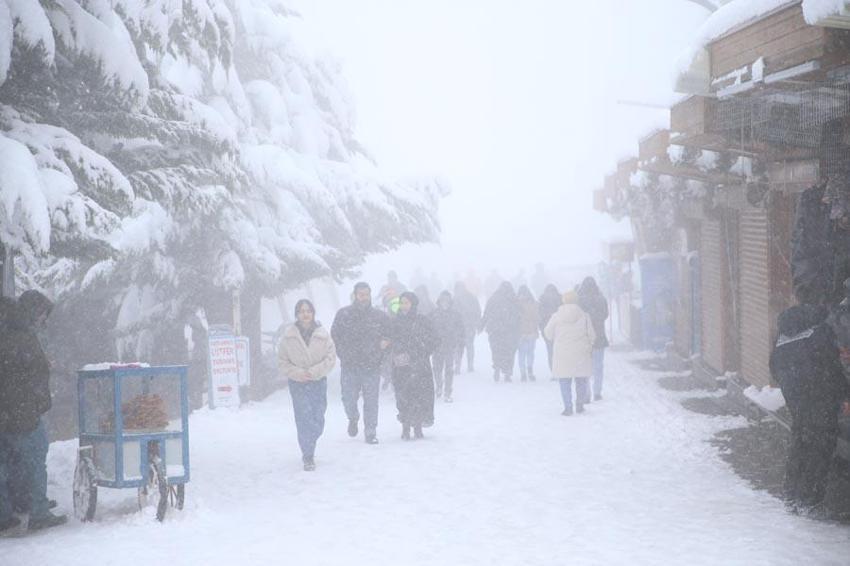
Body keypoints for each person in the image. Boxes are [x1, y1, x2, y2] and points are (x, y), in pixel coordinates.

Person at [770, 304, 850, 512]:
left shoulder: (785, 333)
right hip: (817, 392)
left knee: (801, 437)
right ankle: (809, 498)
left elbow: (774, 366)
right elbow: (832, 366)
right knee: (822, 442)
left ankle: (791, 492)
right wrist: (844, 394)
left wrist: (794, 390)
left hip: (794, 391)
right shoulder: (822, 332)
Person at [0, 291, 67, 532]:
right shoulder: (23, 337)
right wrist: (39, 403)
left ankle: (8, 512)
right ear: (33, 312)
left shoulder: (7, 332)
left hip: (8, 412)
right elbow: (30, 374)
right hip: (23, 412)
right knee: (36, 460)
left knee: (9, 463)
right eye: (42, 316)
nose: (43, 322)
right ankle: (38, 511)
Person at [279, 299, 337, 471]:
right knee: (303, 418)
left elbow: (330, 358)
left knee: (317, 418)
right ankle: (308, 455)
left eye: (308, 311)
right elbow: (282, 362)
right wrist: (298, 373)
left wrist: (314, 372)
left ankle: (311, 439)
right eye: (302, 311)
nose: (305, 314)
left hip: (318, 381)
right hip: (298, 384)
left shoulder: (323, 335)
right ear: (297, 314)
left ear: (313, 313)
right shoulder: (288, 337)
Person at [331, 282, 390, 444]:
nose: (364, 297)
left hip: (372, 365)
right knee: (348, 399)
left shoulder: (380, 316)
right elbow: (335, 336)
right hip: (350, 366)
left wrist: (384, 346)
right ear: (355, 295)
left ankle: (370, 431)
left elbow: (389, 335)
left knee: (371, 401)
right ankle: (353, 417)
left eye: (366, 294)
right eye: (361, 294)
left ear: (370, 295)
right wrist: (343, 354)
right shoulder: (344, 314)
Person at [387, 292, 439, 440]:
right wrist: (396, 351)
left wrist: (422, 350)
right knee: (403, 395)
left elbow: (435, 339)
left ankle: (417, 426)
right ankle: (405, 426)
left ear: (413, 304)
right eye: (402, 303)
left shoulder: (422, 321)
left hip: (420, 365)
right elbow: (389, 340)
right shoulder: (395, 322)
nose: (404, 306)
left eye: (406, 303)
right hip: (401, 365)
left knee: (420, 395)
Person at [544, 291, 595, 416]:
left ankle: (568, 407)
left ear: (563, 300)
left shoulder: (556, 316)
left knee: (564, 380)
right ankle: (580, 405)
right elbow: (592, 335)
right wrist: (588, 345)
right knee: (581, 379)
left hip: (562, 352)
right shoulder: (585, 316)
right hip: (581, 352)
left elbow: (548, 334)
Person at [480, 282, 521, 382]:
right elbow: (518, 314)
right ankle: (507, 372)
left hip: (495, 330)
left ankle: (497, 367)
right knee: (509, 352)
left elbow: (486, 313)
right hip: (510, 330)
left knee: (496, 350)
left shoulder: (494, 298)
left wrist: (482, 325)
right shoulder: (513, 298)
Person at [578, 277, 610, 401]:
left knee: (585, 367)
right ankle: (597, 392)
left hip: (584, 337)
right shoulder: (601, 299)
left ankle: (586, 394)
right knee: (598, 366)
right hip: (599, 336)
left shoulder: (579, 300)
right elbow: (605, 315)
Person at [430, 291, 465, 402]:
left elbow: (461, 329)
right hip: (436, 346)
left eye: (447, 301)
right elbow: (427, 329)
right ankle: (439, 386)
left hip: (450, 346)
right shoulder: (433, 314)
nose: (445, 303)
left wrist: (459, 341)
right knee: (437, 369)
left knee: (449, 370)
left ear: (450, 302)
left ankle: (447, 392)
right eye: (443, 301)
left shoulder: (456, 315)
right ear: (439, 301)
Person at [453, 282, 482, 373]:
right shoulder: (457, 299)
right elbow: (478, 312)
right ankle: (463, 365)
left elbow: (477, 312)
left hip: (466, 326)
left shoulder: (457, 299)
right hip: (462, 326)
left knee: (462, 346)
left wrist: (477, 324)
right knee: (464, 346)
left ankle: (464, 365)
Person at [516, 285, 539, 382]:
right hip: (532, 331)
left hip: (520, 332)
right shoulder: (534, 303)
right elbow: (537, 318)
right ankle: (530, 370)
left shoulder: (516, 303)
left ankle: (523, 373)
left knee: (521, 353)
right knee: (530, 353)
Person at [538, 284, 561, 372]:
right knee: (559, 351)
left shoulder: (542, 299)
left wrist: (542, 328)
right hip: (559, 329)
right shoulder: (560, 298)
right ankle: (560, 370)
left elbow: (540, 315)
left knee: (550, 350)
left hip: (547, 328)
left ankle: (553, 370)